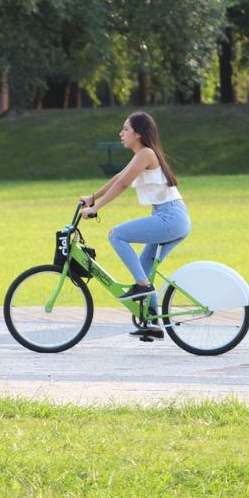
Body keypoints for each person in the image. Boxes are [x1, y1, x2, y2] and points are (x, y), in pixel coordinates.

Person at [80, 111, 190, 339]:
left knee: (116, 235)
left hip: (170, 217)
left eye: (126, 129)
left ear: (138, 133)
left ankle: (142, 287)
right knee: (144, 266)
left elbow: (122, 184)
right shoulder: (143, 154)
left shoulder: (146, 153)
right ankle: (153, 323)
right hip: (173, 217)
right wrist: (92, 197)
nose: (121, 133)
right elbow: (119, 177)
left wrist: (95, 209)